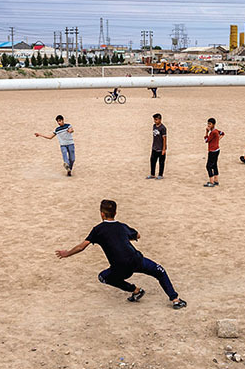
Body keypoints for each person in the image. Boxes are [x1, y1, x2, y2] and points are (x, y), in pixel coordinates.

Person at [55, 199, 187, 309]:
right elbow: (138, 235)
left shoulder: (98, 230)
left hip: (120, 268)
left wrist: (67, 253)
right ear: (115, 213)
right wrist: (125, 237)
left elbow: (81, 247)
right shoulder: (122, 226)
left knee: (103, 277)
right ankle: (175, 299)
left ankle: (135, 290)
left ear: (102, 214)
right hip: (136, 260)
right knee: (160, 271)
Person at [204, 117, 224, 187]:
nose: (208, 125)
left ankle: (211, 182)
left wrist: (206, 132)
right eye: (208, 124)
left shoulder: (213, 132)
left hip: (212, 151)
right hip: (217, 150)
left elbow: (206, 140)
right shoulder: (216, 131)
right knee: (214, 165)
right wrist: (218, 140)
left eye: (210, 124)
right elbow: (222, 133)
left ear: (213, 124)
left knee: (208, 166)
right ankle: (216, 180)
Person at [146, 113, 167, 180]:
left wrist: (164, 149)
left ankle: (160, 175)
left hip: (160, 148)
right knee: (152, 161)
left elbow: (164, 139)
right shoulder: (154, 126)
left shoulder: (163, 128)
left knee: (161, 162)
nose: (155, 121)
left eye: (156, 120)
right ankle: (152, 174)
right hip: (154, 148)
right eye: (154, 120)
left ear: (160, 119)